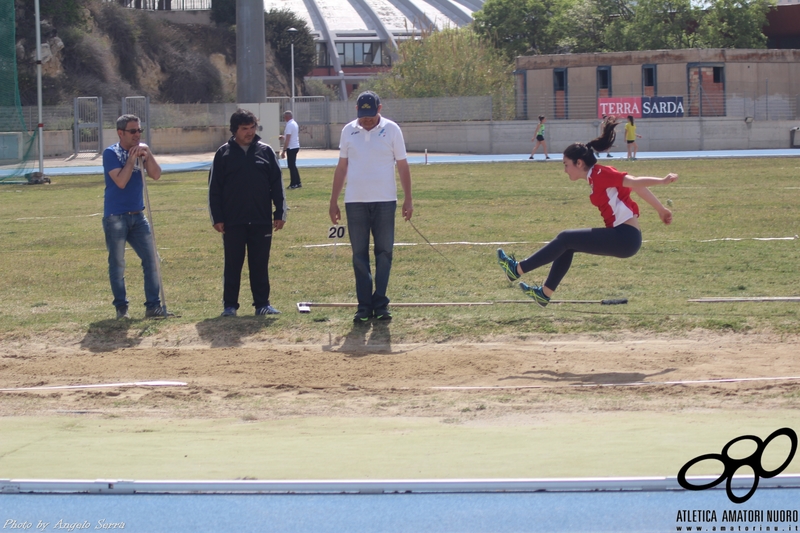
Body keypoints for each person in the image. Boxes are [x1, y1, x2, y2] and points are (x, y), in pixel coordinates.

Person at [497, 122, 677, 306]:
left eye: (566, 165)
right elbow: (636, 188)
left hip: (625, 237)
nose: (565, 170)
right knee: (567, 245)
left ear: (579, 163)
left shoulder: (600, 173)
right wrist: (661, 210)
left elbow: (634, 182)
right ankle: (544, 293)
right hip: (624, 237)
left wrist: (662, 183)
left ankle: (516, 269)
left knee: (565, 238)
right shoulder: (594, 177)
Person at [329, 90, 413, 323]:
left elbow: (403, 166)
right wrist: (333, 200)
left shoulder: (392, 130)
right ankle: (364, 306)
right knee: (359, 255)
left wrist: (408, 199)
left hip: (385, 201)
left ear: (380, 109)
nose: (367, 120)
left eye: (372, 115)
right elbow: (342, 167)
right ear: (357, 111)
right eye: (363, 115)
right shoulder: (348, 131)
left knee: (384, 253)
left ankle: (381, 303)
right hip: (355, 202)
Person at [208, 108, 287, 317]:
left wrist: (280, 212)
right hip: (233, 221)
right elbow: (214, 189)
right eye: (245, 129)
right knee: (233, 264)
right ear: (234, 130)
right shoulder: (223, 153)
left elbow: (277, 185)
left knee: (259, 263)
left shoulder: (266, 151)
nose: (250, 132)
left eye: (253, 127)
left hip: (261, 219)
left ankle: (262, 304)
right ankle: (230, 305)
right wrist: (217, 218)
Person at [102, 114, 168, 320]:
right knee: (118, 263)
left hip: (138, 216)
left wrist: (148, 155)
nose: (137, 134)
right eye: (133, 131)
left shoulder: (142, 150)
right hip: (116, 217)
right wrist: (131, 160)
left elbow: (156, 175)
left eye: (139, 130)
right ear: (120, 133)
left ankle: (153, 306)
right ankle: (121, 308)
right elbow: (120, 181)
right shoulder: (111, 153)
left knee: (152, 260)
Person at [280, 110, 302, 189]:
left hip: (291, 147)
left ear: (287, 117)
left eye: (284, 117)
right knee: (293, 165)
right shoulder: (294, 123)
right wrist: (283, 137)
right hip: (295, 146)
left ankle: (293, 184)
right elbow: (289, 136)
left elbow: (288, 139)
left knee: (291, 166)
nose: (284, 118)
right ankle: (298, 182)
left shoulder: (289, 125)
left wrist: (284, 151)